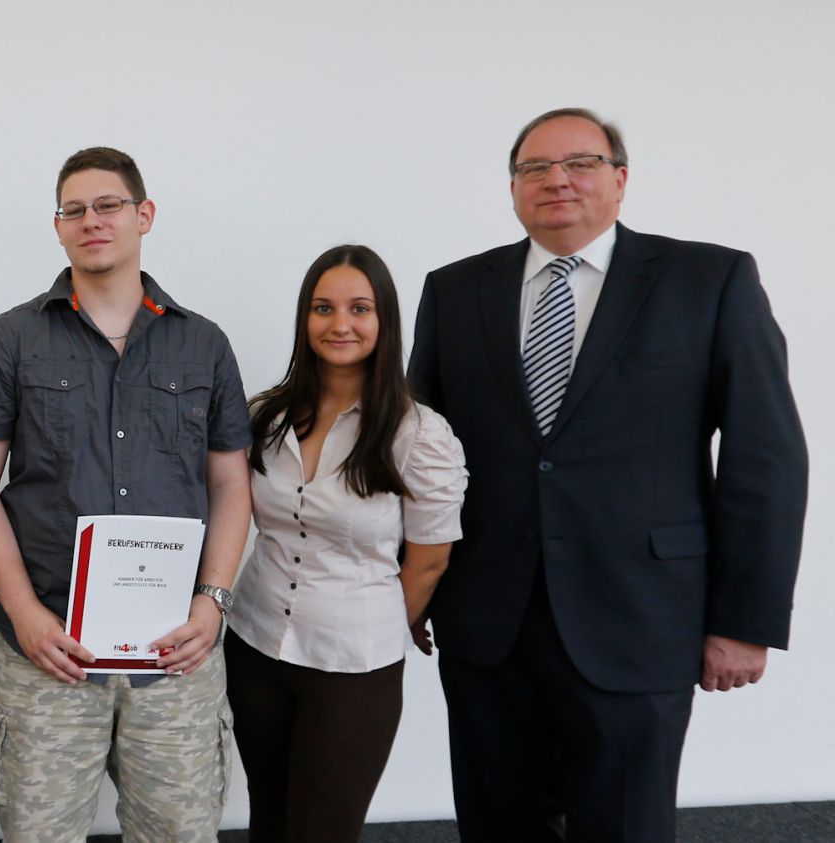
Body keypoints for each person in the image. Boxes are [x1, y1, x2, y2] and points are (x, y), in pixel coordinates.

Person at [408, 107, 808, 842]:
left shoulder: (709, 279)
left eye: (581, 163)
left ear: (620, 180)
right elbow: (415, 458)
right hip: (487, 618)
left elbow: (766, 456)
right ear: (513, 188)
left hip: (642, 614)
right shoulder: (454, 289)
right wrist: (407, 588)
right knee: (498, 823)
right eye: (534, 168)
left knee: (624, 824)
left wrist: (743, 620)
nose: (556, 180)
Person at [0, 146, 252, 842]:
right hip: (48, 653)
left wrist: (214, 603)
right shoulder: (11, 340)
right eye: (74, 209)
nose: (92, 220)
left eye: (108, 205)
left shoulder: (202, 344)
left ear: (144, 215)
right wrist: (24, 613)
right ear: (57, 226)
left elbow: (232, 482)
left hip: (175, 655)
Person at [223, 244, 465, 842]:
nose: (340, 324)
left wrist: (385, 623)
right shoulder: (266, 416)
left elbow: (430, 560)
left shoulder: (419, 434)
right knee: (268, 820)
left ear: (384, 320)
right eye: (323, 307)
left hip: (352, 666)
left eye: (360, 308)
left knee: (323, 832)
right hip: (254, 646)